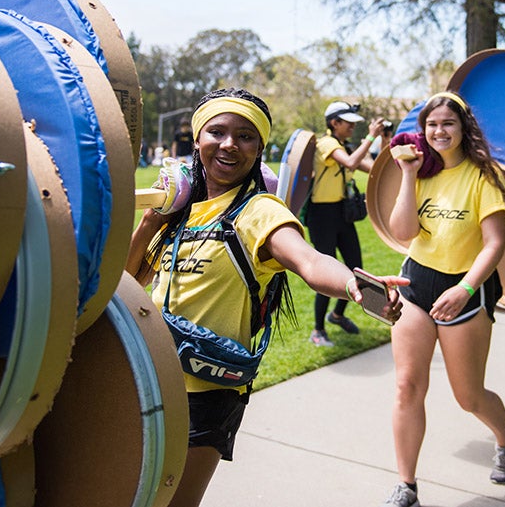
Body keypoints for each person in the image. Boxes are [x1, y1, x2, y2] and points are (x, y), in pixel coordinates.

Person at [125, 88, 407, 507]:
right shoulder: (178, 215)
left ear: (259, 149)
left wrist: (354, 286)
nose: (229, 145)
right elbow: (128, 284)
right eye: (217, 132)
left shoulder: (260, 212)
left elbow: (309, 262)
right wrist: (151, 220)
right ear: (197, 139)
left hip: (208, 393)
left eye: (245, 136)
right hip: (145, 382)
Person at [381, 91, 505, 507]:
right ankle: (406, 486)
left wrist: (464, 290)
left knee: (468, 396)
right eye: (432, 125)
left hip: (465, 289)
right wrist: (407, 174)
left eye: (448, 123)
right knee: (407, 386)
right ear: (422, 131)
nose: (439, 131)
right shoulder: (421, 173)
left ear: (463, 129)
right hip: (415, 287)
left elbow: (494, 244)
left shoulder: (485, 177)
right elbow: (403, 232)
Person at [308, 101, 387, 347]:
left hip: (341, 214)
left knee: (356, 268)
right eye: (349, 122)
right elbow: (351, 163)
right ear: (335, 123)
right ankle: (318, 329)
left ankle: (337, 315)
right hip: (321, 216)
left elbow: (374, 168)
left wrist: (382, 141)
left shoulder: (345, 145)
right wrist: (370, 137)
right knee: (327, 272)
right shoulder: (327, 144)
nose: (353, 127)